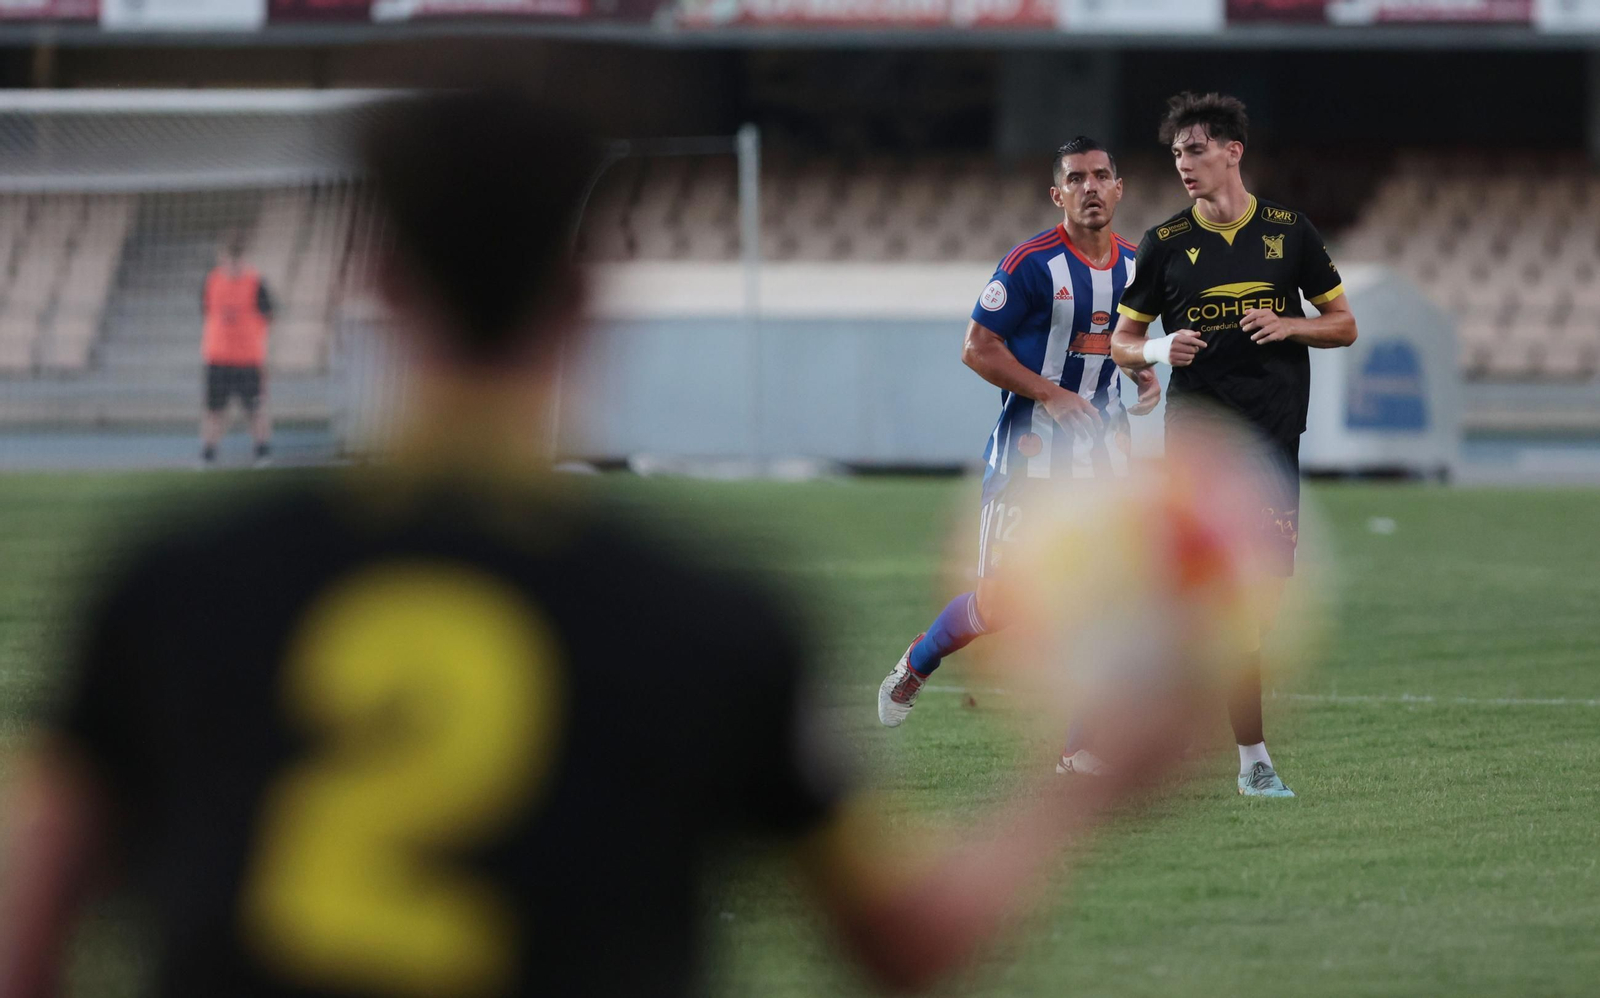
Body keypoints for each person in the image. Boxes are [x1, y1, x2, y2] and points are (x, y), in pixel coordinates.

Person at [0, 89, 1203, 998]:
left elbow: (30, 918)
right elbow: (903, 940)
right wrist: (1095, 795)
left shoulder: (170, 578)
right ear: (583, 298)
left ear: (376, 285)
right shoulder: (713, 618)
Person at [877, 136, 1161, 772]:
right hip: (1029, 454)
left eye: (1101, 176)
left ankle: (1079, 749)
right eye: (1076, 178)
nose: (1091, 187)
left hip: (1103, 462)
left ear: (1119, 189)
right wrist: (1051, 394)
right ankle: (918, 661)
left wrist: (1141, 372)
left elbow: (1125, 341)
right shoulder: (1031, 265)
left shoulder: (1138, 267)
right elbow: (977, 347)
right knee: (1005, 602)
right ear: (1057, 193)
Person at [1110, 92, 1358, 798]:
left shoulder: (1289, 232)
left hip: (1274, 440)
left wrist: (1290, 326)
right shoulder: (1163, 244)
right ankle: (1251, 760)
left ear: (1232, 151)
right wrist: (1159, 346)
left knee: (1260, 609)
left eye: (1195, 150)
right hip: (1203, 452)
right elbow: (1120, 343)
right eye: (1177, 155)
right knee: (1232, 608)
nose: (1184, 165)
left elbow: (1343, 326)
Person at [200, 238, 275, 468]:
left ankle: (263, 452)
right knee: (214, 410)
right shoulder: (211, 281)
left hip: (247, 359)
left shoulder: (256, 282)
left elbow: (269, 315)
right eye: (227, 259)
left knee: (255, 409)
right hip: (218, 358)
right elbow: (205, 311)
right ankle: (208, 455)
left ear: (243, 259)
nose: (231, 265)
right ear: (221, 259)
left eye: (236, 260)